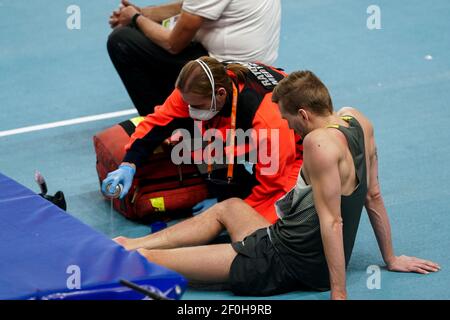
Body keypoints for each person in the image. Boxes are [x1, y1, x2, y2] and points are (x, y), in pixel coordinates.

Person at [112, 71, 440, 299]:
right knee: (229, 208)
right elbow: (374, 195)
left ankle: (132, 252)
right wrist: (391, 258)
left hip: (281, 263)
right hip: (279, 240)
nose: (285, 125)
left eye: (286, 118)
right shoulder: (357, 119)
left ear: (303, 114)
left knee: (149, 261)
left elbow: (333, 221)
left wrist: (338, 294)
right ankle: (130, 242)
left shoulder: (318, 145)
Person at [102, 56, 303, 223]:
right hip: (248, 132)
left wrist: (228, 211)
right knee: (193, 135)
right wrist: (129, 163)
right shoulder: (197, 87)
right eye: (187, 104)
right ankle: (229, 191)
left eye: (197, 106)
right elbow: (157, 123)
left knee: (257, 226)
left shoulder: (266, 118)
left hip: (297, 153)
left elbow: (272, 183)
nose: (190, 110)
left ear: (221, 94)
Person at [107, 0, 281, 115]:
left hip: (228, 74)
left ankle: (163, 123)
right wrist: (144, 13)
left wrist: (135, 17)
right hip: (261, 69)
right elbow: (189, 6)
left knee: (122, 40)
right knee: (144, 29)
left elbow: (172, 44)